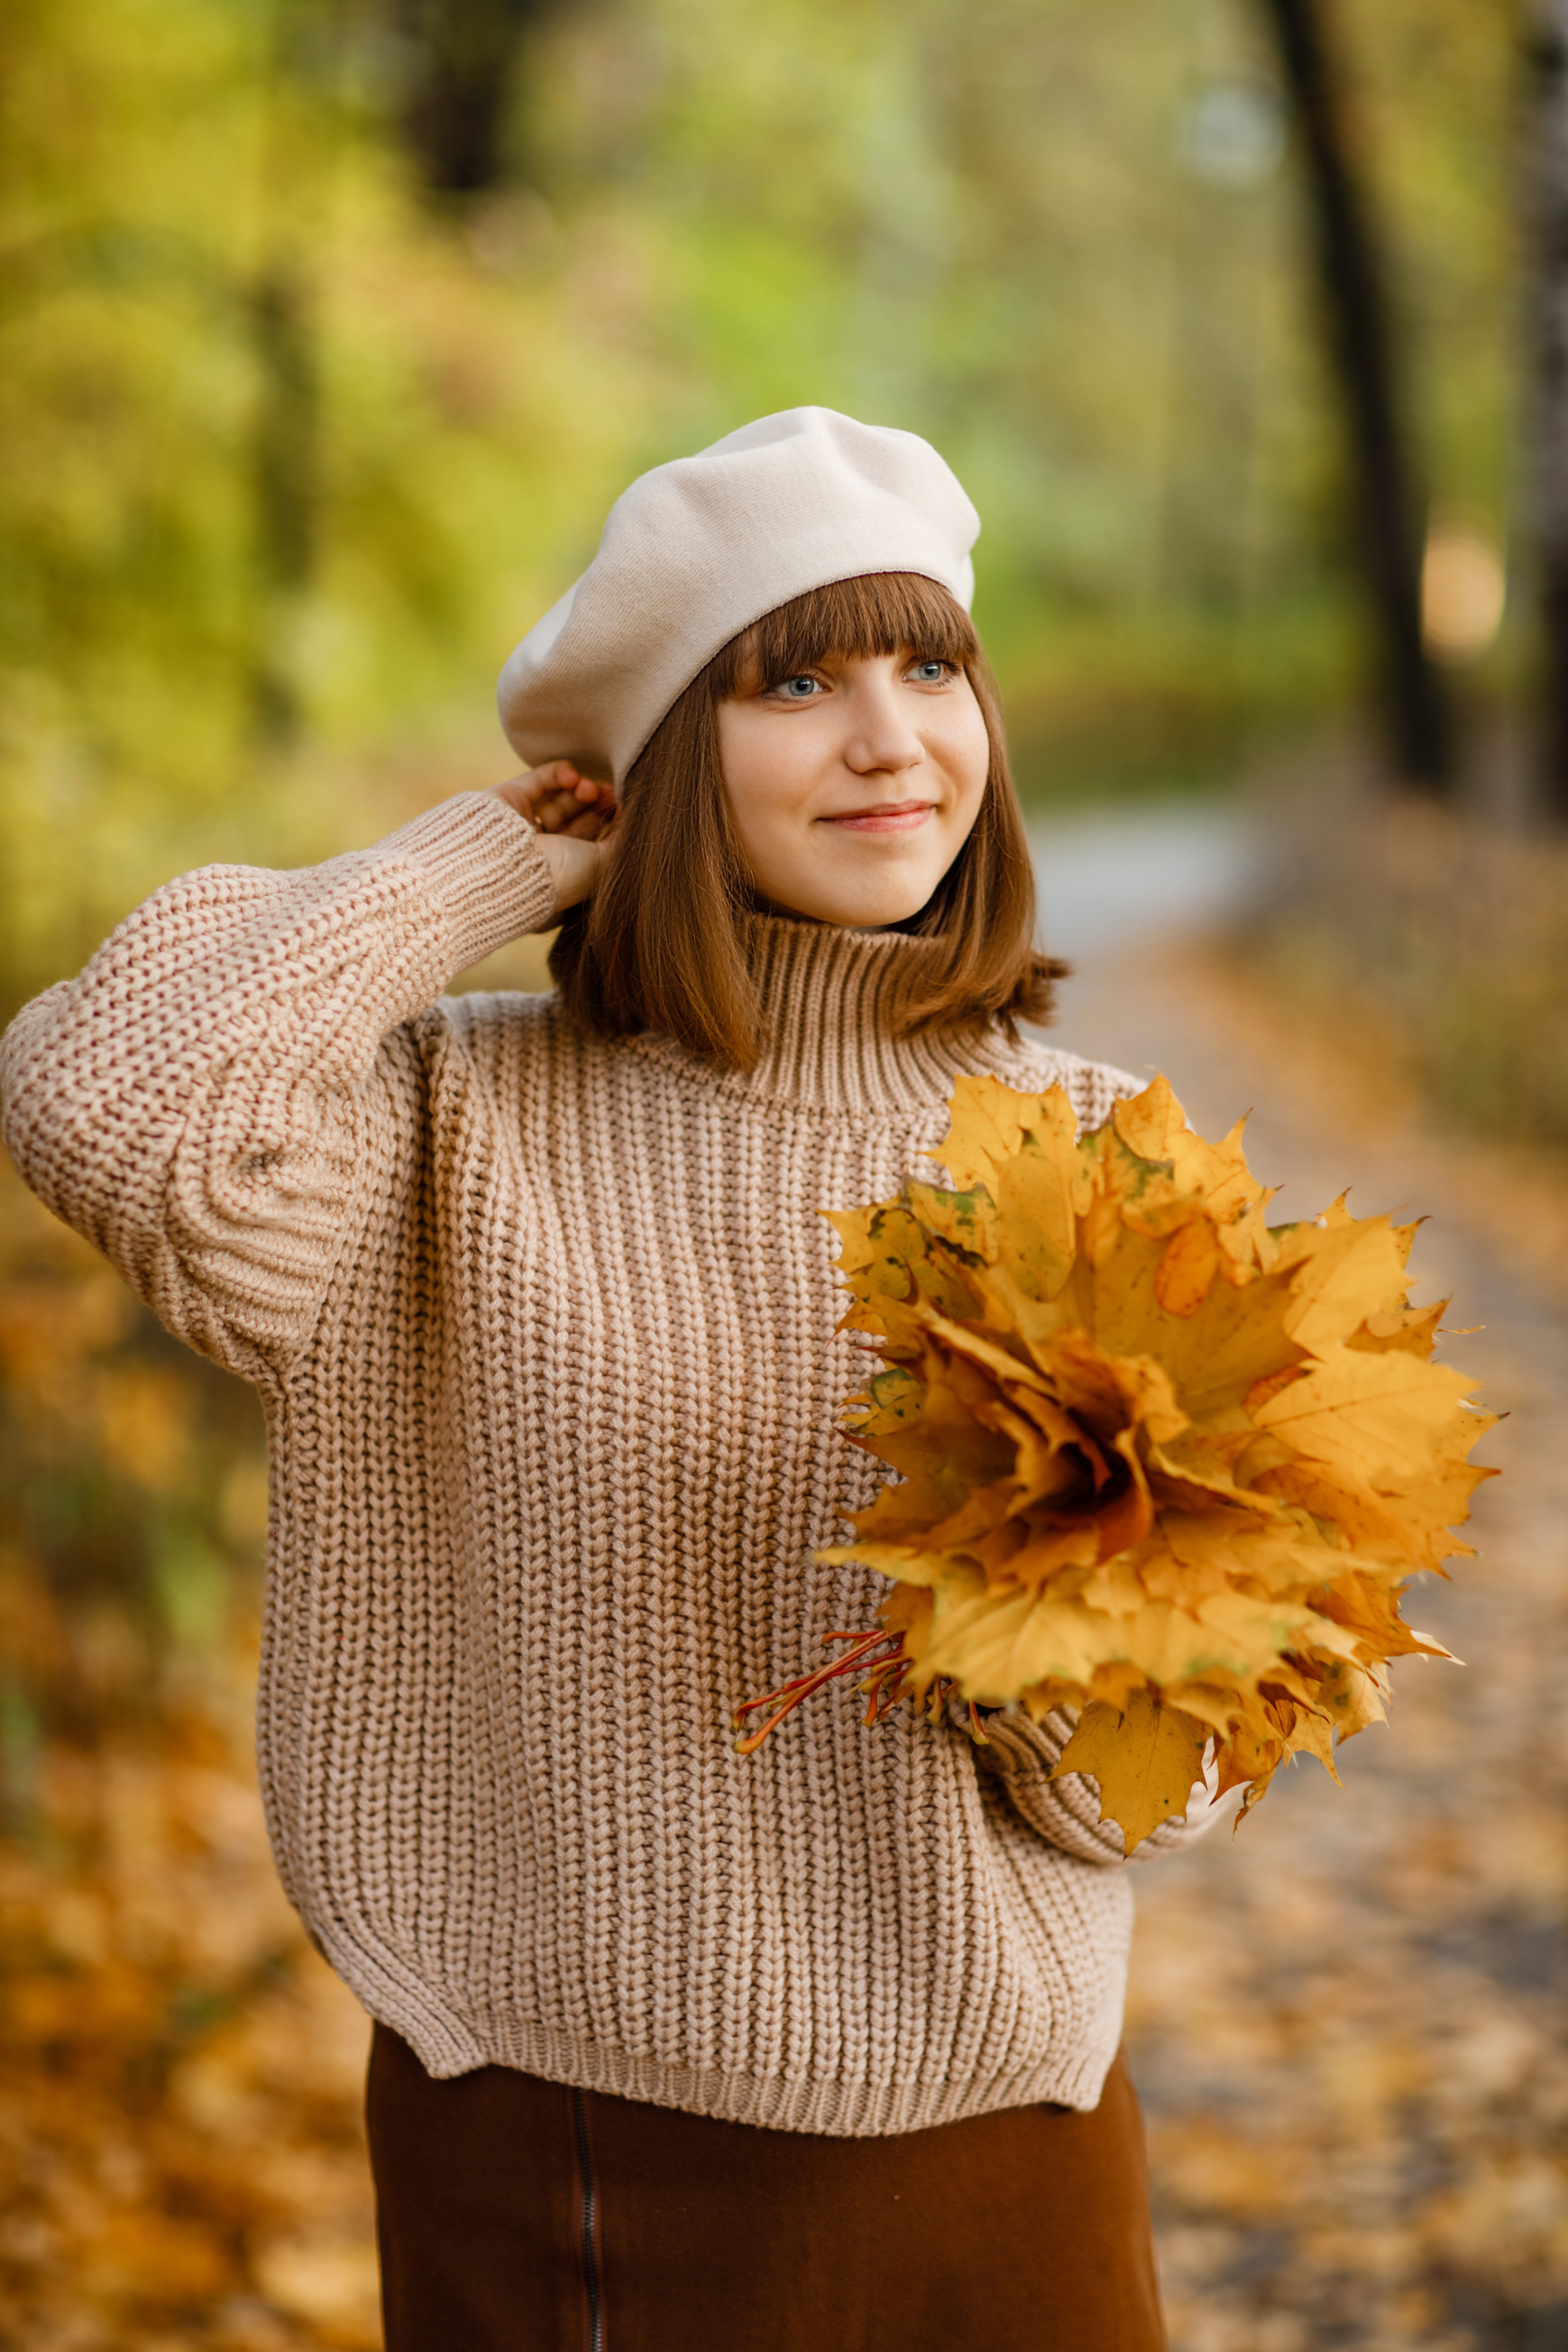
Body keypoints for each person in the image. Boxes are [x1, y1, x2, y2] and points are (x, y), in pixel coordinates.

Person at [2, 407, 1227, 2350]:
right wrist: (488, 857)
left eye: (933, 666)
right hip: (563, 2129)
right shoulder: (450, 1121)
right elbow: (104, 1093)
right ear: (654, 764)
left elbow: (1171, 1774)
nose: (889, 736)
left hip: (1003, 2135)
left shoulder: (1092, 1142)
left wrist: (1044, 1637)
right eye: (794, 681)